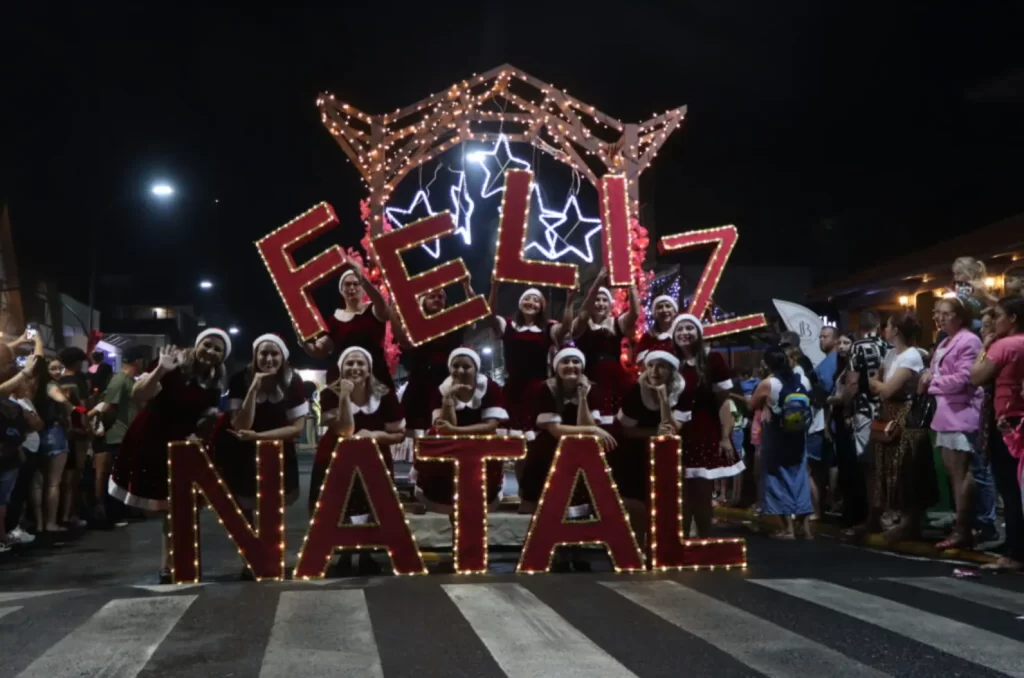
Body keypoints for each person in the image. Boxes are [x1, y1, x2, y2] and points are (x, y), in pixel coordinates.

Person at [109, 329, 230, 583]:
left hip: (183, 445)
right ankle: (170, 565)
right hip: (152, 439)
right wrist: (160, 370)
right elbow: (139, 394)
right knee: (167, 506)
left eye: (218, 349)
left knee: (179, 507)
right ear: (198, 344)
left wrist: (202, 433)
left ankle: (172, 564)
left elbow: (206, 417)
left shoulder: (213, 381)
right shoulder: (171, 362)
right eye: (208, 345)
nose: (211, 352)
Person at [215, 335, 307, 534]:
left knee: (273, 510)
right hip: (242, 453)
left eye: (275, 353)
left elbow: (297, 428)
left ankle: (269, 555)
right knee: (244, 510)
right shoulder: (240, 379)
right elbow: (241, 424)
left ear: (283, 357)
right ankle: (250, 556)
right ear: (255, 356)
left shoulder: (293, 381)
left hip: (277, 452)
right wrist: (254, 389)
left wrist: (257, 437)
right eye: (263, 353)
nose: (269, 359)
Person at [519, 342, 616, 515]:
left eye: (575, 362)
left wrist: (583, 398)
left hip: (580, 441)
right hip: (552, 442)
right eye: (565, 362)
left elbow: (585, 426)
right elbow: (555, 430)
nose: (571, 366)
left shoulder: (592, 388)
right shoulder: (546, 388)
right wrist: (593, 431)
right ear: (557, 367)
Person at [862, 313, 934, 541]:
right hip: (887, 414)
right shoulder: (891, 353)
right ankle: (878, 516)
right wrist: (878, 384)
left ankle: (908, 522)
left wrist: (878, 384)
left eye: (889, 326)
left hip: (904, 417)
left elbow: (885, 389)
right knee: (878, 467)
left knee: (904, 470)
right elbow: (876, 381)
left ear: (897, 330)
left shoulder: (911, 356)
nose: (885, 329)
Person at [671, 314, 745, 537]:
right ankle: (680, 541)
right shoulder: (671, 362)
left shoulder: (712, 359)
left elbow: (724, 402)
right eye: (679, 329)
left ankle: (704, 540)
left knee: (702, 491)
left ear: (699, 333)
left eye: (689, 328)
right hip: (677, 432)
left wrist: (725, 436)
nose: (684, 332)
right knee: (680, 492)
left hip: (705, 431)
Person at [414, 347, 508, 514]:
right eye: (455, 366)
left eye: (466, 366)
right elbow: (444, 428)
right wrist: (448, 398)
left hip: (480, 440)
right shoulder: (442, 390)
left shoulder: (489, 387)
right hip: (450, 443)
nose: (460, 371)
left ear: (476, 369)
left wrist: (456, 431)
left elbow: (490, 426)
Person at [921, 298, 984, 549]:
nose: (940, 318)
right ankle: (961, 523)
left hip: (961, 413)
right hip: (945, 413)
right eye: (938, 314)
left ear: (960, 316)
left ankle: (964, 527)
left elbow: (963, 379)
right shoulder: (946, 341)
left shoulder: (968, 340)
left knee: (960, 473)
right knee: (952, 472)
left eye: (946, 314)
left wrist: (932, 383)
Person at [312, 346, 405, 515]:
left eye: (360, 363)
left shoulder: (384, 395)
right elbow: (345, 431)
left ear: (369, 370)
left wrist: (374, 435)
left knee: (377, 514)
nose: (355, 368)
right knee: (331, 514)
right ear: (341, 368)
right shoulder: (329, 394)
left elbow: (399, 435)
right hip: (335, 460)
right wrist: (345, 395)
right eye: (350, 363)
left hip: (375, 462)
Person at [971, 295, 1024, 572]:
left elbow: (976, 376)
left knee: (1009, 488)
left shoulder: (1005, 345)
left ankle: (1016, 553)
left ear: (1013, 319)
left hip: (1007, 422)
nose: (994, 323)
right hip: (1018, 419)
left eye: (1000, 316)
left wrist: (985, 346)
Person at [615, 350, 687, 542]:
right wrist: (654, 433)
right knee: (636, 502)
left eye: (661, 366)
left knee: (664, 502)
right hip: (635, 452)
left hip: (665, 454)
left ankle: (661, 545)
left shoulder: (682, 391)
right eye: (651, 366)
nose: (654, 371)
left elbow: (672, 429)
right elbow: (627, 431)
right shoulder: (634, 392)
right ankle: (637, 544)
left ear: (671, 371)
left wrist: (664, 400)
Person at [484, 283, 568, 437]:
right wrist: (494, 288)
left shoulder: (548, 328)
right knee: (512, 436)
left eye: (536, 300)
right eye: (527, 298)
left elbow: (566, 328)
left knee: (538, 435)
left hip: (539, 389)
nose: (531, 303)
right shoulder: (508, 325)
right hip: (513, 388)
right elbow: (489, 316)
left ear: (541, 307)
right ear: (520, 303)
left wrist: (570, 299)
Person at [749, 345, 814, 538]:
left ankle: (788, 529)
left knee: (777, 477)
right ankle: (806, 529)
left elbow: (753, 405)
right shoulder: (803, 379)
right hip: (798, 435)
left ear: (768, 363)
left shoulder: (768, 383)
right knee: (799, 477)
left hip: (776, 434)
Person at [302, 261, 394, 390]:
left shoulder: (373, 310)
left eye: (356, 284)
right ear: (341, 290)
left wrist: (362, 277)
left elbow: (384, 309)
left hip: (376, 378)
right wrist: (303, 343)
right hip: (345, 381)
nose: (352, 288)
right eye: (347, 284)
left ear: (363, 289)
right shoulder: (334, 320)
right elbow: (319, 350)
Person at [86, 346, 148, 526]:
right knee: (113, 476)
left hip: (124, 434)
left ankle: (121, 510)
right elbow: (109, 407)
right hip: (116, 435)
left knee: (122, 475)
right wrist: (104, 427)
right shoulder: (120, 380)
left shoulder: (126, 380)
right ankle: (113, 513)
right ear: (138, 361)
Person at [394, 287, 467, 438]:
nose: (436, 299)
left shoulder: (452, 323)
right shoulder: (414, 324)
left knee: (444, 425)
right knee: (407, 424)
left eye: (440, 297)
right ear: (424, 301)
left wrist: (466, 286)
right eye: (432, 297)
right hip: (419, 379)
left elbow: (474, 312)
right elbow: (404, 341)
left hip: (444, 380)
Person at [573, 269, 639, 414]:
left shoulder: (616, 323)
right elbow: (583, 313)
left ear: (610, 304)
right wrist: (597, 282)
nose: (600, 303)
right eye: (597, 299)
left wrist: (631, 284)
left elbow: (635, 314)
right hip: (590, 378)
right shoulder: (582, 323)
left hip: (616, 379)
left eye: (604, 300)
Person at [30, 356, 75, 534]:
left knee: (38, 482)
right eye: (53, 368)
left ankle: (39, 523)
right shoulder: (51, 386)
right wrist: (71, 407)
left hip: (37, 435)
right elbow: (61, 400)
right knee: (54, 483)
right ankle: (50, 523)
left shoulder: (34, 387)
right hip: (54, 433)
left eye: (60, 368)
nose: (57, 372)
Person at [57, 346, 91, 529]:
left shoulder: (59, 380)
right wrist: (87, 427)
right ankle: (70, 514)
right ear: (78, 363)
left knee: (60, 476)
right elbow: (83, 408)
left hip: (62, 430)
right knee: (75, 475)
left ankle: (60, 514)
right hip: (78, 431)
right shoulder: (80, 380)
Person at [634, 295, 679, 366]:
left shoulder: (680, 333)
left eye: (668, 306)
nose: (664, 310)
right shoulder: (648, 336)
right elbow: (638, 358)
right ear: (654, 313)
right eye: (660, 307)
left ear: (674, 311)